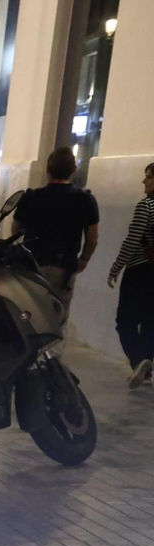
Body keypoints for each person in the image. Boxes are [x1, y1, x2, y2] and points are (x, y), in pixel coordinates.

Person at [13, 147, 99, 316]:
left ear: (48, 170)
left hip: (32, 264)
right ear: (73, 170)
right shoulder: (86, 200)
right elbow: (92, 238)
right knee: (57, 318)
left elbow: (15, 229)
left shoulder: (31, 197)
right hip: (64, 266)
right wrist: (84, 259)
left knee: (30, 315)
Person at [108, 162, 154, 387]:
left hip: (140, 269)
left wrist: (116, 267)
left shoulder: (145, 206)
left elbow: (132, 240)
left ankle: (138, 362)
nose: (144, 181)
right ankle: (146, 366)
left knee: (124, 321)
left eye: (148, 177)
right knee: (150, 321)